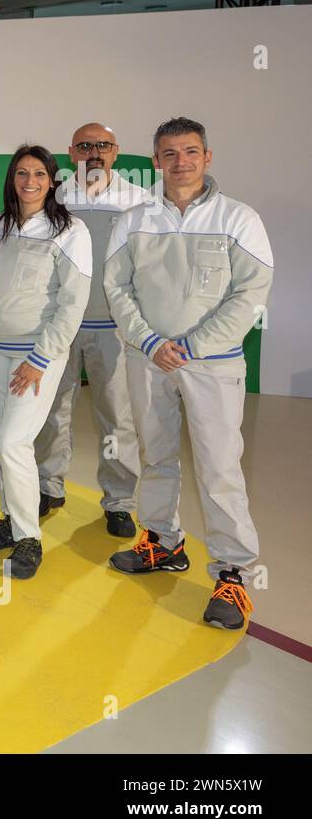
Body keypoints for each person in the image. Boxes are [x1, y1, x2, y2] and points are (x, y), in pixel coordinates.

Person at [106, 117, 273, 631]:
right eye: (170, 153)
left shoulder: (239, 218)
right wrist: (152, 342)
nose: (181, 162)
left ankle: (232, 574)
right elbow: (118, 289)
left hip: (213, 365)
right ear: (155, 160)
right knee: (155, 456)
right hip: (148, 359)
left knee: (219, 468)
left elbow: (250, 295)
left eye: (191, 151)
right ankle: (162, 542)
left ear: (207, 156)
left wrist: (193, 345)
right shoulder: (134, 219)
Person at [0, 144, 92, 579]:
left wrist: (40, 359)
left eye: (39, 174)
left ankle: (28, 538)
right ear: (13, 179)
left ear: (52, 180)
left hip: (35, 355)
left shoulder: (70, 231)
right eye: (22, 173)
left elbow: (71, 303)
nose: (30, 182)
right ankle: (10, 518)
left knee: (12, 443)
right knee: (8, 440)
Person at [34, 123, 144, 536]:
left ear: (116, 151)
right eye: (85, 146)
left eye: (102, 145)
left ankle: (119, 501)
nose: (93, 152)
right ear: (70, 152)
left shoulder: (139, 201)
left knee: (117, 418)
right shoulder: (53, 198)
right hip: (60, 325)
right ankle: (49, 485)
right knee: (52, 411)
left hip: (115, 328)